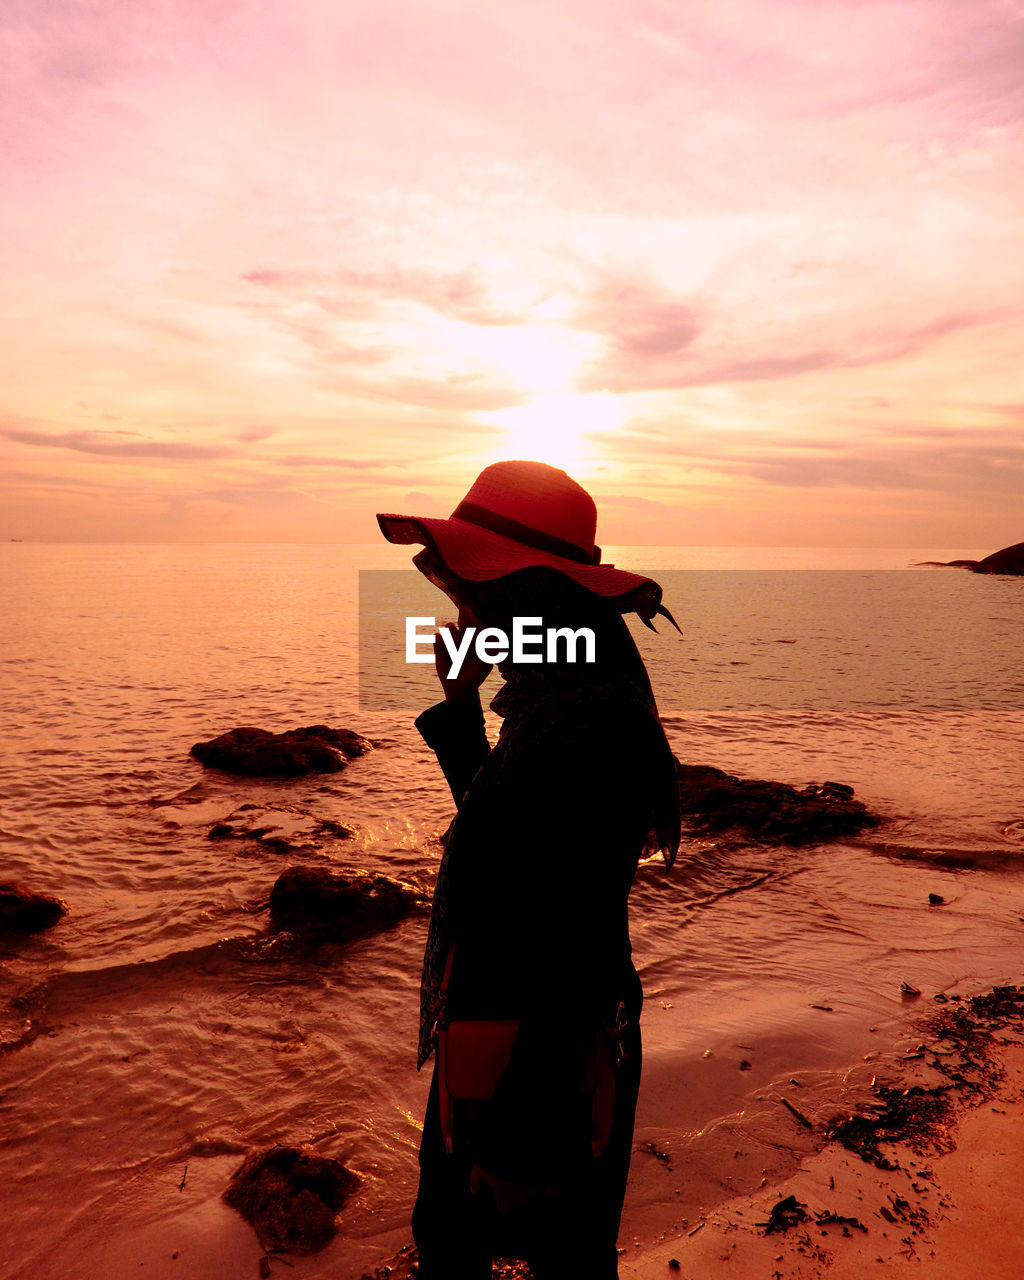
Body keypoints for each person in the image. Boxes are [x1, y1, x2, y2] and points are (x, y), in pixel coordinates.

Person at [377, 460, 681, 1278]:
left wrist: (519, 1108)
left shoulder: (582, 716)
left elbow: (562, 908)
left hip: (537, 1044)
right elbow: (507, 839)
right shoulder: (567, 693)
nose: (461, 604)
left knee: (502, 1252)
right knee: (555, 1253)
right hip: (523, 1027)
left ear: (530, 593)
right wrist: (459, 710)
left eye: (473, 585)